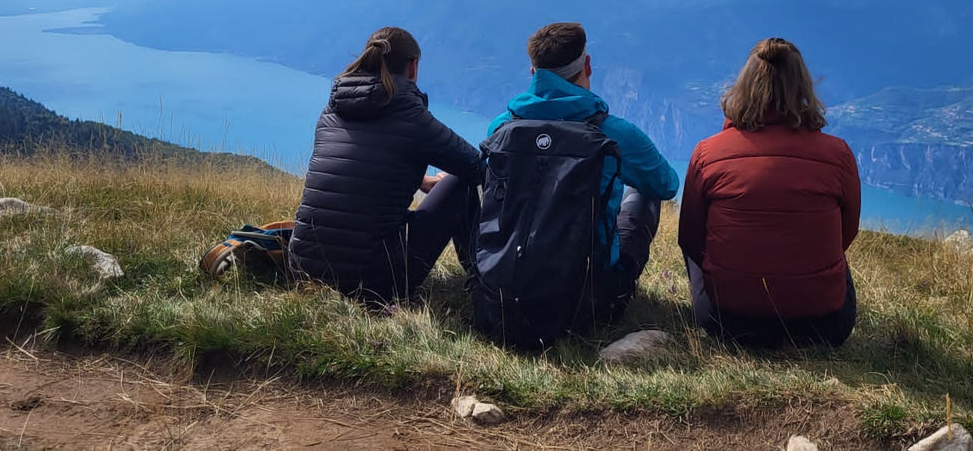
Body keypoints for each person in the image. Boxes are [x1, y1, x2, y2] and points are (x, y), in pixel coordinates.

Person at [480, 21, 680, 332]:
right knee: (644, 194)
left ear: (533, 73)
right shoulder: (612, 133)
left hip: (505, 293)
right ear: (586, 65)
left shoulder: (502, 128)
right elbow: (666, 185)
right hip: (588, 302)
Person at [678, 37, 861, 347]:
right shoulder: (838, 154)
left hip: (729, 322)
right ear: (803, 87)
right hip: (823, 327)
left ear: (744, 86)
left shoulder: (707, 153)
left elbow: (691, 239)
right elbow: (847, 232)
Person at [287, 27, 481, 304]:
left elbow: (366, 165)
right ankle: (484, 284)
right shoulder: (412, 117)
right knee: (458, 182)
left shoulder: (333, 110)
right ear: (413, 67)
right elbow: (475, 166)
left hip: (304, 270)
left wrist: (420, 181)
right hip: (375, 284)